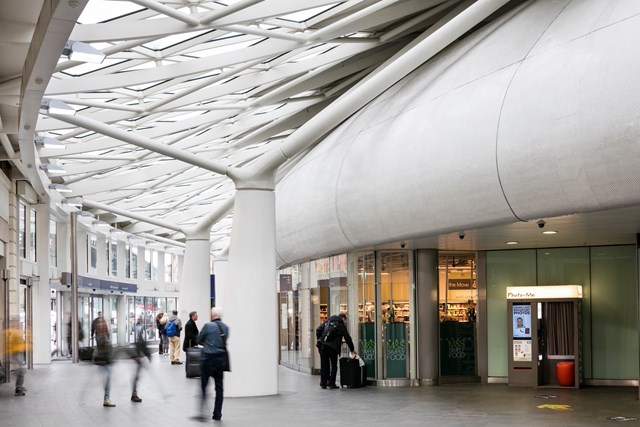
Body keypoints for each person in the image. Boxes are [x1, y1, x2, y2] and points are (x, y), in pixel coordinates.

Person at [196, 307, 229, 422]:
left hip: (208, 359)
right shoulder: (226, 327)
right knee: (219, 388)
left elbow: (198, 340)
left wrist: (207, 343)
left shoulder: (208, 326)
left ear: (213, 315)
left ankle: (202, 413)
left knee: (204, 385)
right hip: (220, 360)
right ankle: (217, 414)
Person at [315, 312, 355, 389]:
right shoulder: (340, 324)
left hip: (323, 346)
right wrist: (352, 349)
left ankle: (323, 383)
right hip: (333, 348)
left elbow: (318, 330)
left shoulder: (328, 321)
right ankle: (331, 384)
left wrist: (320, 339)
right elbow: (347, 337)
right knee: (333, 366)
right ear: (343, 318)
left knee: (324, 365)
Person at [94, 315, 115, 407]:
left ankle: (107, 398)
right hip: (104, 361)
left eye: (103, 322)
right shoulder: (99, 336)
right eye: (100, 323)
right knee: (106, 379)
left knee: (107, 379)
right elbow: (102, 349)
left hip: (108, 360)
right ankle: (106, 399)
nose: (102, 324)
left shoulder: (105, 334)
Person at [130, 315, 152, 402]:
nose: (141, 321)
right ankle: (134, 394)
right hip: (136, 358)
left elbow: (142, 343)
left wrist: (148, 354)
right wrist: (135, 356)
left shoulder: (142, 329)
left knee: (137, 377)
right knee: (135, 377)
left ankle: (134, 394)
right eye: (140, 319)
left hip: (139, 357)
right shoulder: (135, 329)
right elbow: (133, 343)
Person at [6, 319, 29, 396]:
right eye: (15, 323)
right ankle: (18, 388)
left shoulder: (17, 331)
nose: (17, 324)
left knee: (22, 370)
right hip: (15, 353)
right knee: (21, 370)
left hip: (19, 352)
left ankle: (20, 386)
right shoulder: (11, 332)